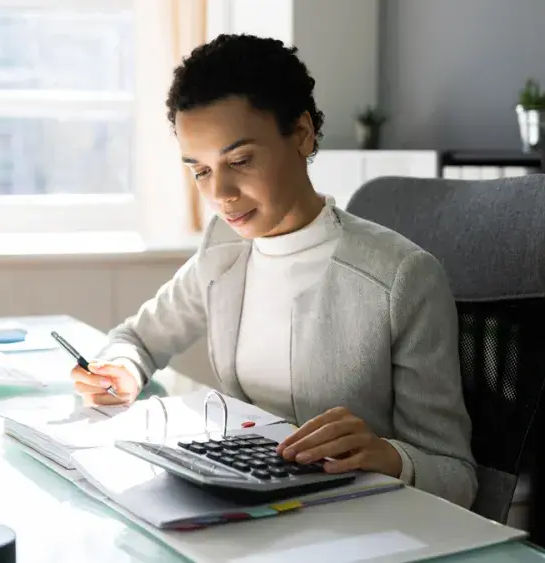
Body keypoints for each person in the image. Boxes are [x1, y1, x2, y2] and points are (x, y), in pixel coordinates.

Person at [69, 33, 477, 508]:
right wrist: (121, 370)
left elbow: (457, 477)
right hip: (245, 509)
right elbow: (138, 338)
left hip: (355, 524)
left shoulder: (402, 278)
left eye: (239, 160)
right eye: (200, 170)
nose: (219, 193)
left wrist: (388, 456)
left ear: (302, 134)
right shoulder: (223, 252)